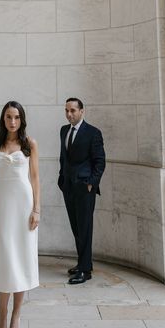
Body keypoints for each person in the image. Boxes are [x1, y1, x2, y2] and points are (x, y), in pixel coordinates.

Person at [0, 101, 40, 328]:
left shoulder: (29, 144)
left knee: (23, 258)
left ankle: (17, 314)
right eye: (8, 117)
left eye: (16, 117)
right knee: (5, 258)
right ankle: (2, 312)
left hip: (24, 206)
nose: (13, 121)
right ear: (3, 119)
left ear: (22, 119)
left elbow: (35, 178)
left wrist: (37, 209)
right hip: (3, 206)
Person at [58, 97, 105, 284]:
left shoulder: (93, 133)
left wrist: (91, 183)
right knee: (76, 228)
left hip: (85, 188)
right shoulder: (63, 131)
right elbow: (64, 157)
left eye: (73, 111)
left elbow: (100, 162)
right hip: (68, 186)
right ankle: (83, 263)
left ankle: (85, 271)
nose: (69, 114)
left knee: (85, 229)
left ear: (82, 111)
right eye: (67, 110)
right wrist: (61, 178)